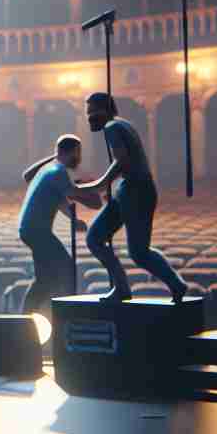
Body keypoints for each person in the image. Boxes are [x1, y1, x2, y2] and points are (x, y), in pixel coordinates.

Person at [77, 92, 191, 304]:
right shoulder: (121, 125)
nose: (89, 117)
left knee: (138, 252)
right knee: (95, 238)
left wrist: (98, 185)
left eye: (92, 112)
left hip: (136, 191)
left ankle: (176, 284)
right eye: (87, 113)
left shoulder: (112, 127)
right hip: (128, 190)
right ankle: (121, 287)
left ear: (105, 111)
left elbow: (122, 160)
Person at [15, 135, 103, 321]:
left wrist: (74, 220)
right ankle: (67, 315)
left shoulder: (51, 170)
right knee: (66, 268)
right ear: (71, 152)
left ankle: (25, 317)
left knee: (44, 278)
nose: (79, 158)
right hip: (36, 230)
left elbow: (60, 201)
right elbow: (73, 193)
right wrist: (96, 189)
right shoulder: (57, 171)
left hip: (31, 230)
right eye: (78, 153)